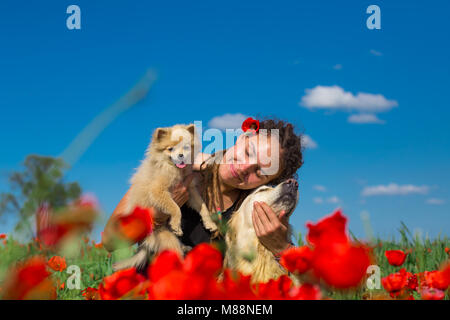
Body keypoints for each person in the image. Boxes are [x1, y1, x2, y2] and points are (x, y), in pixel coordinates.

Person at [102, 118, 303, 257]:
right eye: (248, 152)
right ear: (244, 136)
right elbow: (109, 241)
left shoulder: (252, 213)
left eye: (259, 172)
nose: (243, 167)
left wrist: (281, 248)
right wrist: (157, 214)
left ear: (265, 184)